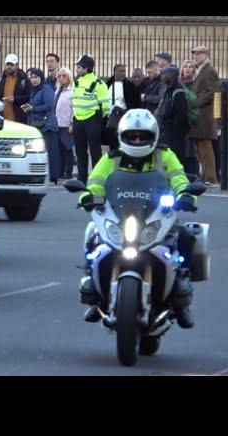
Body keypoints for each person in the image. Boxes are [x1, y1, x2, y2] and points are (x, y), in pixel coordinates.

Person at [78, 109, 196, 329]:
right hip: (120, 214)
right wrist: (88, 196)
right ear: (123, 137)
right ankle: (93, 290)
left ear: (153, 136)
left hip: (156, 214)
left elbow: (179, 178)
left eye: (143, 136)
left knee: (186, 236)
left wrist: (185, 194)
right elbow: (95, 181)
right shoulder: (111, 159)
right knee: (93, 234)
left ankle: (182, 298)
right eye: (133, 136)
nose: (138, 140)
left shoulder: (165, 155)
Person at [72, 54, 110, 183]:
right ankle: (81, 178)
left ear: (86, 68)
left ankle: (96, 178)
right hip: (78, 119)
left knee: (95, 152)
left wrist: (99, 119)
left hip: (93, 120)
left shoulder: (99, 83)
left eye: (78, 67)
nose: (76, 70)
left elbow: (105, 106)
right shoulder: (76, 82)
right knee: (80, 151)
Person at [188, 45, 219, 187]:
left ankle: (211, 179)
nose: (196, 56)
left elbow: (211, 92)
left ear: (206, 55)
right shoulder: (200, 70)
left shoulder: (210, 71)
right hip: (199, 115)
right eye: (195, 54)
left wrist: (195, 103)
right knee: (198, 148)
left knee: (205, 148)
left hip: (205, 115)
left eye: (199, 54)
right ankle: (205, 176)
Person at [25, 68, 60, 183]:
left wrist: (33, 108)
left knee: (51, 151)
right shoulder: (34, 90)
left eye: (36, 77)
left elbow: (50, 106)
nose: (34, 80)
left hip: (47, 125)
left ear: (41, 78)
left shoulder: (46, 89)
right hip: (38, 124)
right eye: (32, 77)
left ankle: (53, 176)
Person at [105, 64, 142, 150]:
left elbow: (137, 103)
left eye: (124, 71)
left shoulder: (130, 86)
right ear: (114, 72)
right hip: (109, 117)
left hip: (124, 117)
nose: (123, 73)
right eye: (121, 71)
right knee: (112, 142)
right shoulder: (107, 85)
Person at [157, 66, 189, 163]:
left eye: (164, 74)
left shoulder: (178, 91)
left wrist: (174, 129)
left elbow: (181, 114)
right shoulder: (168, 89)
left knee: (176, 158)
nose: (162, 76)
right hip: (168, 131)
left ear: (172, 76)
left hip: (175, 134)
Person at [178, 60, 200, 180]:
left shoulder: (196, 84)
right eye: (185, 66)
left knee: (191, 150)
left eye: (190, 67)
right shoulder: (179, 83)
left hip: (191, 119)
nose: (187, 69)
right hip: (180, 119)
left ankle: (193, 174)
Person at [0, 54, 31, 123]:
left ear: (17, 65)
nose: (9, 67)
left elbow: (28, 96)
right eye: (7, 64)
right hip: (3, 118)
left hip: (18, 118)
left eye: (11, 65)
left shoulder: (24, 79)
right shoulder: (1, 79)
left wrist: (15, 99)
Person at [55, 67, 74, 179]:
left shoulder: (72, 91)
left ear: (69, 77)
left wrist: (72, 123)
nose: (61, 78)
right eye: (59, 76)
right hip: (57, 123)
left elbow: (74, 108)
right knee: (60, 150)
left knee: (68, 149)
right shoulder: (58, 90)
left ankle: (68, 172)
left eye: (64, 76)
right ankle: (60, 172)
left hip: (66, 124)